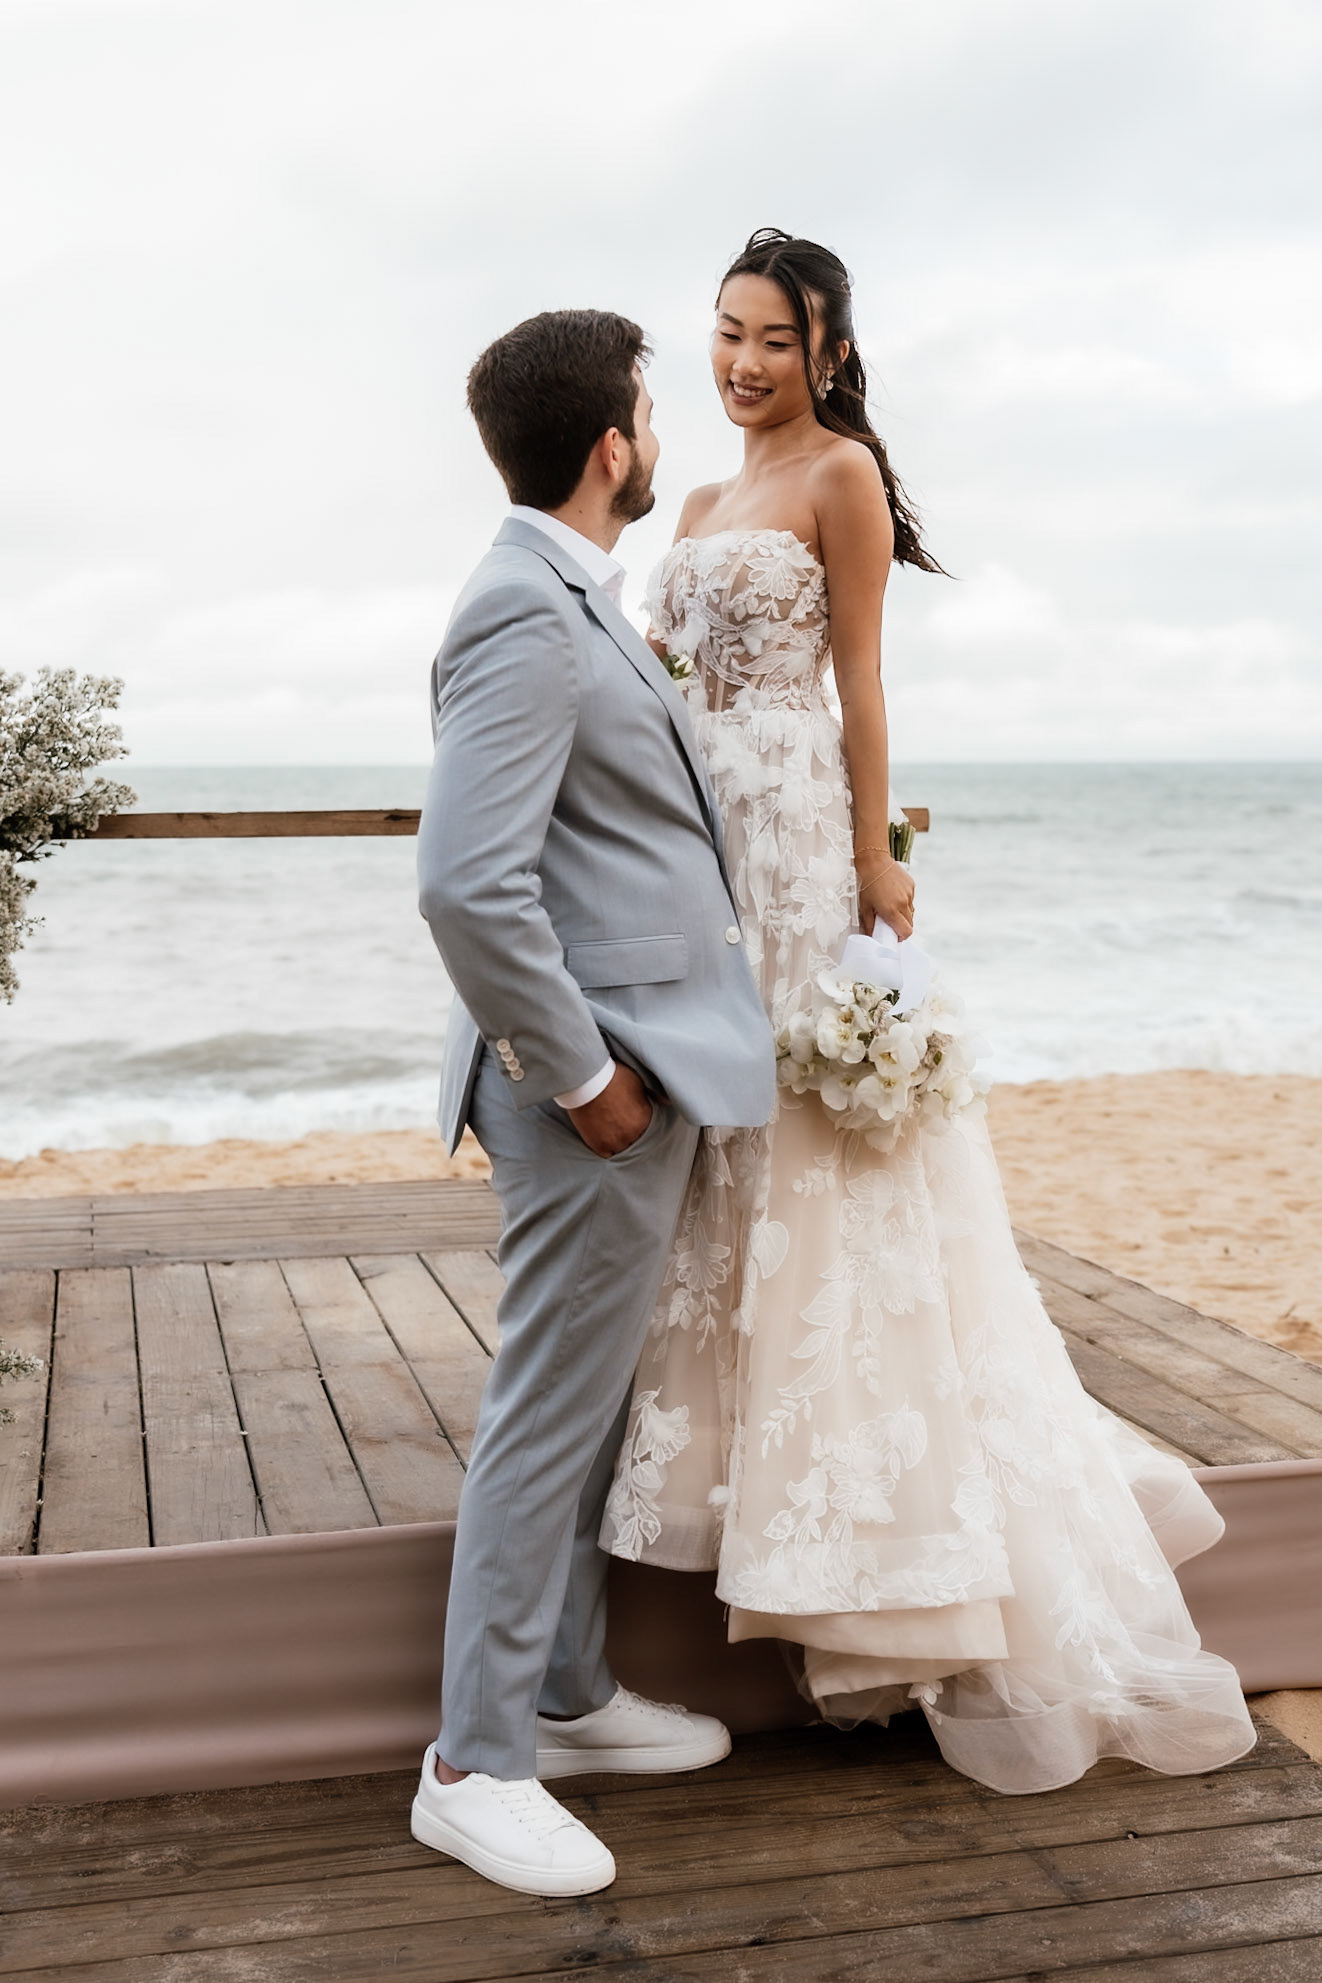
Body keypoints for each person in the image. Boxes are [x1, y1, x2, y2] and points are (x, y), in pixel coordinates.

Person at [601, 230, 1256, 1794]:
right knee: (728, 1145)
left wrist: (875, 865)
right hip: (705, 856)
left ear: (827, 354)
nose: (745, 363)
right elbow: (663, 688)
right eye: (727, 333)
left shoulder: (838, 479)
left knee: (830, 1158)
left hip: (802, 843)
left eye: (776, 340)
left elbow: (862, 689)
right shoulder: (689, 506)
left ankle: (907, 1569)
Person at [413, 309, 776, 1894]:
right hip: (593, 1084)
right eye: (649, 402)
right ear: (611, 444)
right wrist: (584, 1077)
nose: (658, 426)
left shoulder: (574, 596)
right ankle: (473, 1760)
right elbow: (465, 887)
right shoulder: (525, 609)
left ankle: (560, 1695)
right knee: (545, 1414)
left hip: (642, 1057)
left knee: (591, 1404)